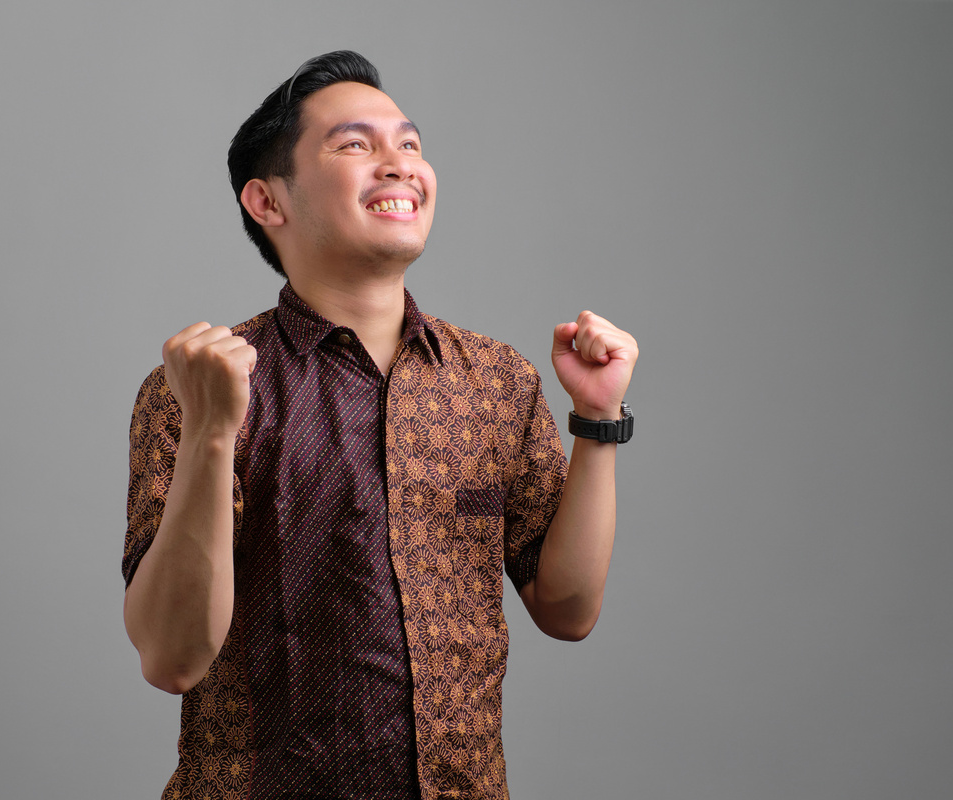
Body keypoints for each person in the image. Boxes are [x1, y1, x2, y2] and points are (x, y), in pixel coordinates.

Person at [122, 50, 638, 800]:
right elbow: (171, 659)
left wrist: (597, 418)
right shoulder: (198, 387)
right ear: (267, 202)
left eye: (410, 144)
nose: (398, 165)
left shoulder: (498, 382)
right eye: (355, 145)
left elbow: (566, 609)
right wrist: (209, 431)